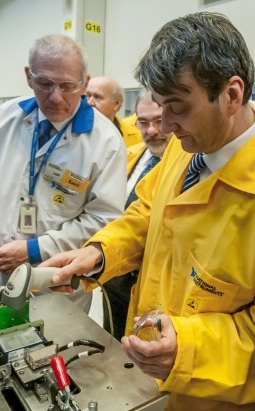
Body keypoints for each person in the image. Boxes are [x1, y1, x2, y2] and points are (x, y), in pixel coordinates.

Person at [41, 12, 255, 410]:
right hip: (146, 383)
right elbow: (148, 212)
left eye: (178, 108)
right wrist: (100, 253)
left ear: (232, 95)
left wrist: (188, 348)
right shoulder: (188, 147)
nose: (164, 126)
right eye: (159, 107)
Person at [0, 34, 127, 312]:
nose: (55, 97)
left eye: (67, 85)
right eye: (44, 83)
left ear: (85, 83)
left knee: (56, 347)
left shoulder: (106, 141)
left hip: (58, 277)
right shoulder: (7, 116)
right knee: (0, 335)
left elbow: (103, 219)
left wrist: (34, 249)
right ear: (29, 76)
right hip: (3, 264)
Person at [102, 89, 173, 340]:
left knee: (141, 347)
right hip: (113, 270)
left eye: (159, 121)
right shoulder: (130, 154)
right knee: (111, 334)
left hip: (151, 281)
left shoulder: (188, 167)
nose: (151, 131)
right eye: (143, 122)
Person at [85, 76, 142, 147]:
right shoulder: (72, 133)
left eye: (97, 97)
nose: (89, 103)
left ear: (116, 103)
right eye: (87, 96)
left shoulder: (138, 138)